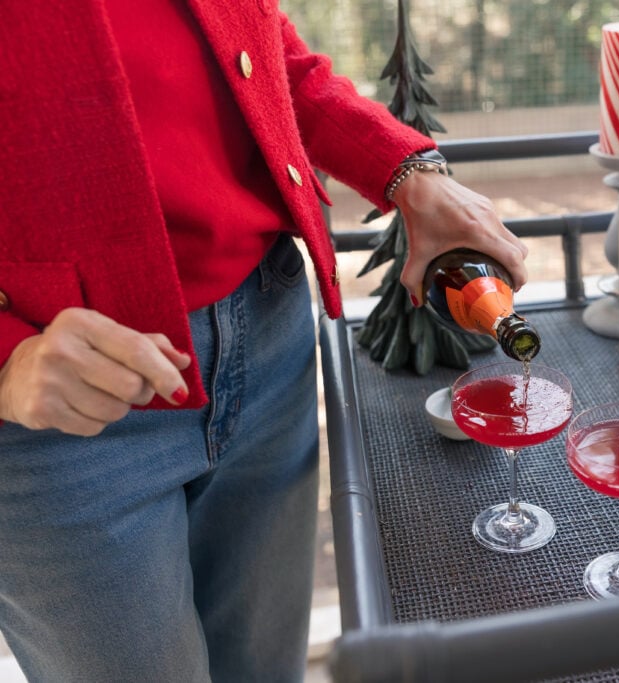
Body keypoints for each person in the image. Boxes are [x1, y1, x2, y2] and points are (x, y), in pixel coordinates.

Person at [0, 2, 527, 681]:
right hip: (65, 405)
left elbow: (264, 50)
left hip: (269, 339)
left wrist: (406, 170)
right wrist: (8, 356)